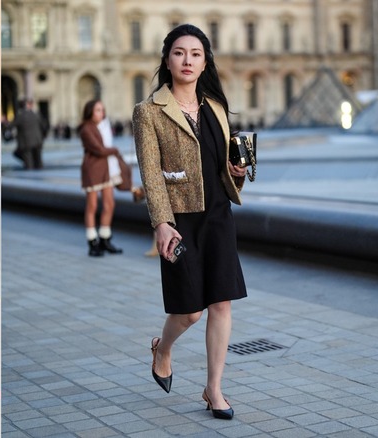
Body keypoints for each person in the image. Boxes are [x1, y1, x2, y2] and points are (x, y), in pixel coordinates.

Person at [132, 24, 248, 420]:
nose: (187, 60)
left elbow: (222, 169)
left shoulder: (215, 106)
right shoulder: (149, 112)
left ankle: (213, 389)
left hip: (218, 216)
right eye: (179, 52)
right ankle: (162, 349)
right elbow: (151, 173)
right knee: (189, 312)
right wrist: (161, 223)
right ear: (167, 59)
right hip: (180, 220)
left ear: (204, 61)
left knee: (221, 305)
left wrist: (236, 171)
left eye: (196, 54)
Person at [79, 100, 143, 257]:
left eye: (102, 110)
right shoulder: (86, 129)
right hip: (93, 169)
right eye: (97, 110)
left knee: (109, 204)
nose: (101, 113)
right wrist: (115, 150)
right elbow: (99, 150)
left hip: (108, 168)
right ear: (89, 112)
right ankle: (92, 241)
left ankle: (105, 238)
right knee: (92, 206)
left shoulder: (105, 125)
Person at [12, 98, 47, 169]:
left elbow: (11, 126)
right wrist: (42, 137)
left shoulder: (20, 116)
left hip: (26, 142)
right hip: (38, 140)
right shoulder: (36, 115)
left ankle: (30, 175)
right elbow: (44, 126)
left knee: (29, 163)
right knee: (39, 161)